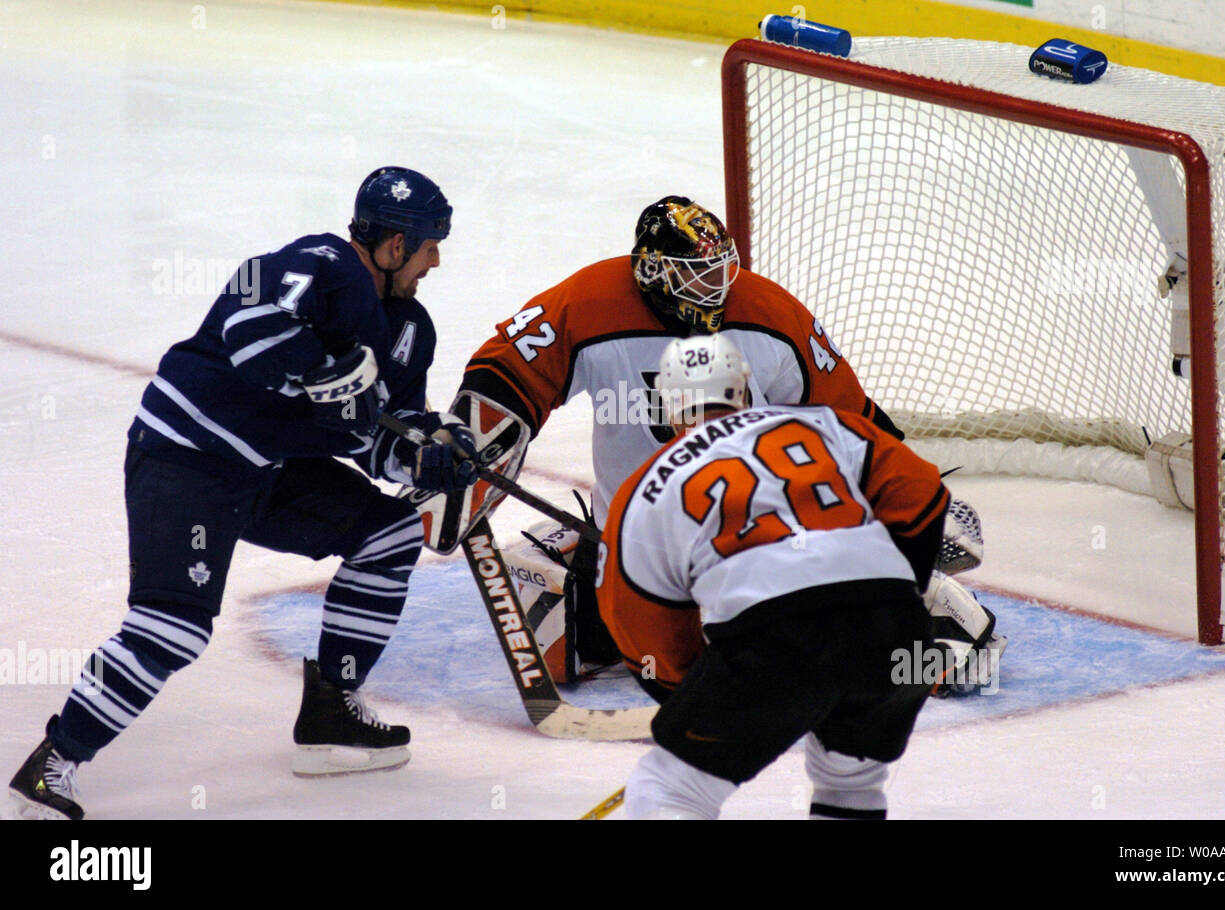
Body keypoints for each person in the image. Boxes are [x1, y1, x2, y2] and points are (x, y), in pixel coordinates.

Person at [8, 166, 479, 820]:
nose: (436, 260)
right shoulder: (319, 264)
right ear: (395, 244)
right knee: (171, 627)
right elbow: (250, 328)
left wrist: (423, 455)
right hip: (189, 455)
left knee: (390, 534)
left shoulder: (407, 332)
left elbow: (376, 437)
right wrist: (323, 373)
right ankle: (54, 761)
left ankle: (331, 714)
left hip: (266, 468)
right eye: (430, 245)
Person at [433, 195, 997, 680]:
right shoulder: (589, 303)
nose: (717, 288)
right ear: (652, 270)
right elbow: (508, 372)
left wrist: (910, 504)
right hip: (634, 541)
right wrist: (466, 445)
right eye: (697, 276)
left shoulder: (770, 313)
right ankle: (580, 560)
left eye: (721, 271)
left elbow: (851, 420)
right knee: (584, 642)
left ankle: (918, 609)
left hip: (746, 538)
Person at [598, 334, 945, 819]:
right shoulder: (824, 423)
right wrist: (895, 595)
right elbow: (922, 490)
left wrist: (698, 693)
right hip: (897, 638)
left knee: (668, 790)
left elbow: (635, 612)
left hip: (776, 643)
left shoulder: (649, 482)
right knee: (852, 785)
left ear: (668, 403)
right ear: (743, 388)